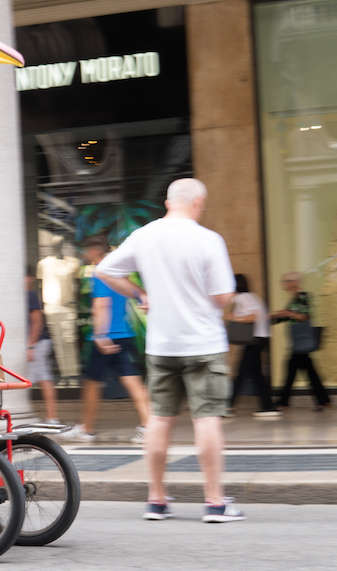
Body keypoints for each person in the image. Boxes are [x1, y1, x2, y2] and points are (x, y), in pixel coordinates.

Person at [96, 178, 245, 523]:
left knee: (159, 419)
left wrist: (139, 294)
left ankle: (157, 500)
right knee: (206, 418)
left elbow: (105, 270)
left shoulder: (145, 235)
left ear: (167, 202)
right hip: (204, 343)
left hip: (162, 345)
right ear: (198, 201)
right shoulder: (208, 239)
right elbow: (224, 296)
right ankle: (214, 502)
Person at [61, 235, 151, 443]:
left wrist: (101, 335)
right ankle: (148, 426)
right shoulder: (119, 274)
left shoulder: (99, 274)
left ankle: (86, 429)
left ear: (93, 252)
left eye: (86, 251)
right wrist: (142, 299)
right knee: (133, 381)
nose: (85, 255)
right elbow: (138, 292)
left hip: (104, 338)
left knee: (92, 383)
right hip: (124, 334)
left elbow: (101, 305)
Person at [272, 272, 331, 412]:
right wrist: (275, 316)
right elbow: (291, 316)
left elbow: (304, 316)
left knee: (292, 370)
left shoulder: (303, 296)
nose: (284, 283)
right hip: (298, 341)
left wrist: (288, 313)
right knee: (308, 372)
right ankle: (323, 400)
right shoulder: (294, 298)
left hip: (301, 341)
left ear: (295, 282)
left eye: (286, 280)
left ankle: (283, 402)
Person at [225, 274, 278, 417]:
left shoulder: (242, 298)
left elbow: (253, 317)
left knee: (241, 371)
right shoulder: (252, 296)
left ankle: (228, 406)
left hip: (253, 340)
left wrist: (234, 317)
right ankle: (269, 406)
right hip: (259, 338)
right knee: (257, 374)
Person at [25, 266, 57, 424]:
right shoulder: (27, 295)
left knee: (43, 378)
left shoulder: (30, 295)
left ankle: (52, 418)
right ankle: (51, 418)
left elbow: (37, 320)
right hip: (36, 343)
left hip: (37, 343)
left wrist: (31, 346)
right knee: (42, 378)